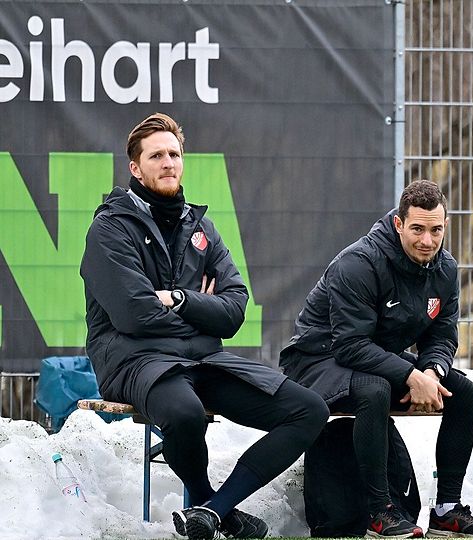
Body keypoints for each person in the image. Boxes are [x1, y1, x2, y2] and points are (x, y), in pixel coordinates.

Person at [80, 113, 329, 540]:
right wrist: (200, 312)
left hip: (202, 359)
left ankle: (212, 510)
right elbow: (134, 315)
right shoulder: (109, 228)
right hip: (134, 360)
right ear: (135, 168)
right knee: (185, 413)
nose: (168, 163)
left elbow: (234, 310)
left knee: (309, 410)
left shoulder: (201, 227)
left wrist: (178, 298)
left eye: (174, 154)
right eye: (156, 156)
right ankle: (208, 501)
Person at [280, 180, 473, 539]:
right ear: (399, 224)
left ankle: (446, 510)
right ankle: (380, 512)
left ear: (445, 226)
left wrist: (431, 372)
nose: (427, 240)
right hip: (317, 358)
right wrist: (411, 377)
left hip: (374, 357)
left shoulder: (446, 269)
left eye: (436, 230)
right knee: (375, 389)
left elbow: (442, 337)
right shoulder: (358, 263)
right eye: (417, 229)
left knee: (463, 392)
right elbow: (349, 345)